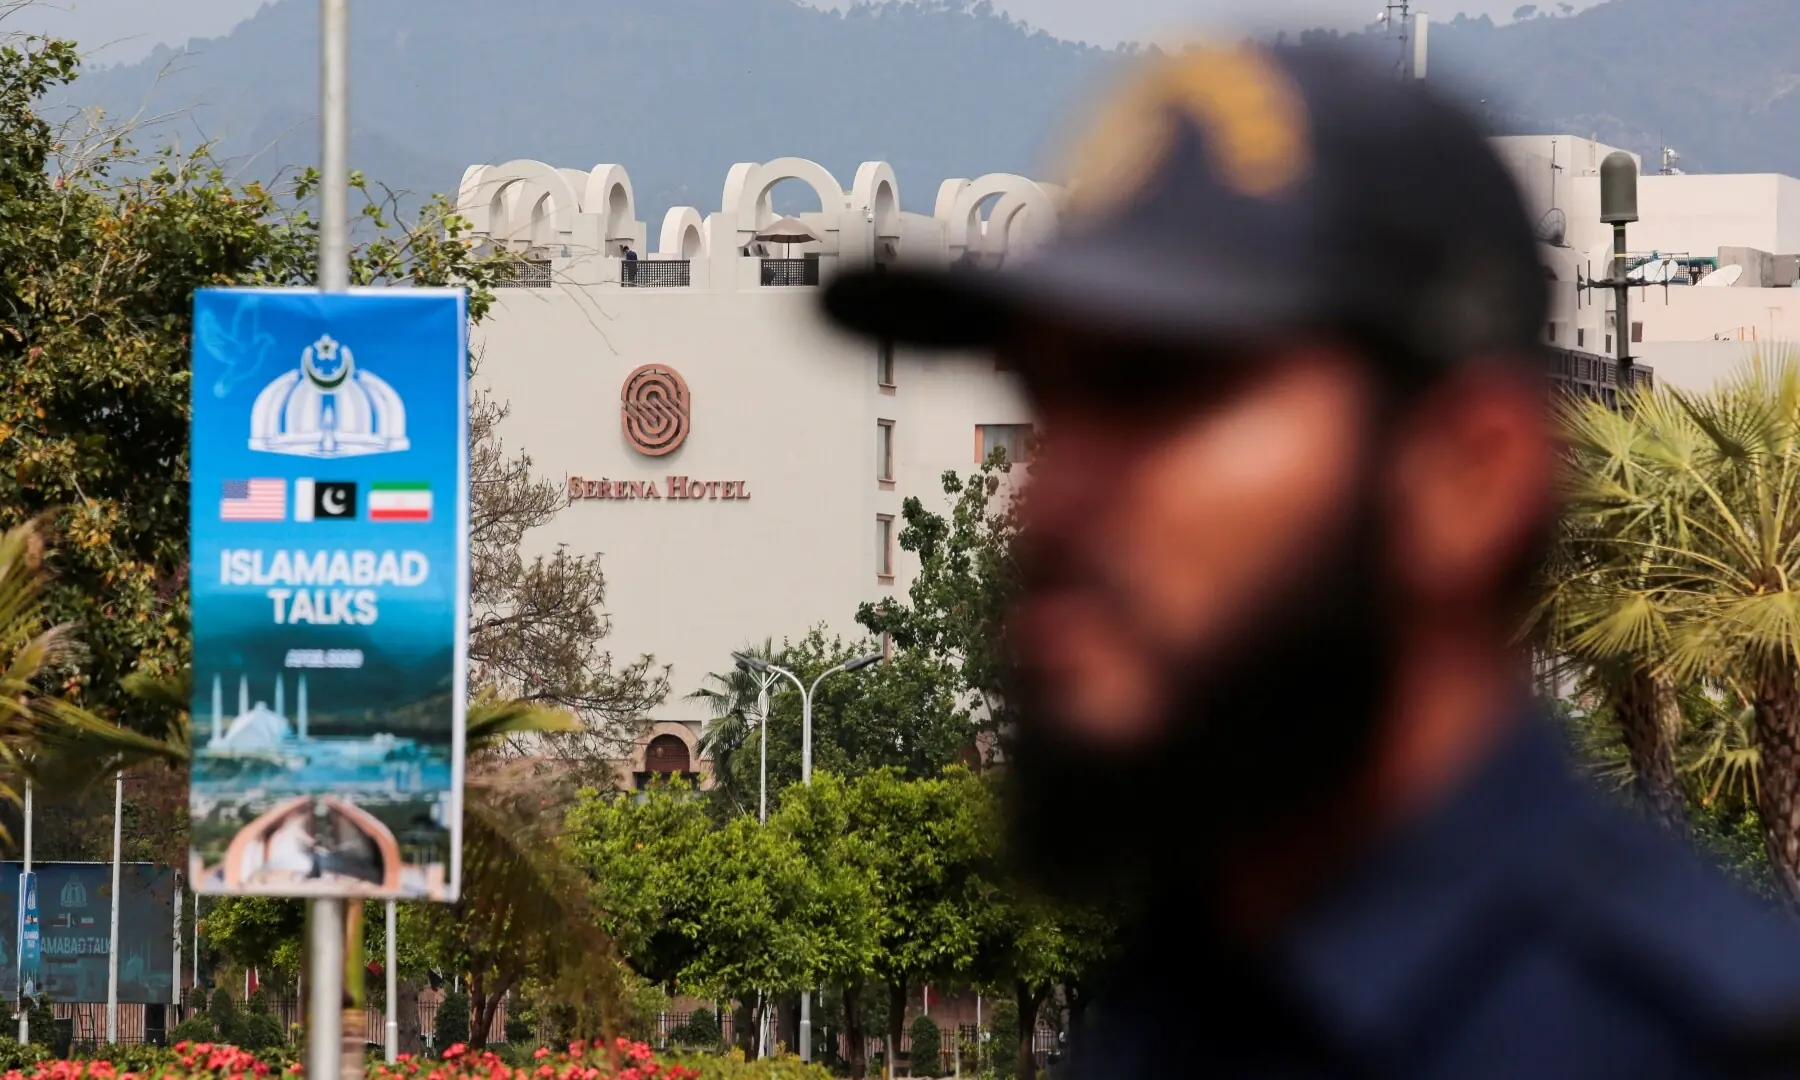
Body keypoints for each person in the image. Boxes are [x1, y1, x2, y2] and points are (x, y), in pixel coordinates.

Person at [823, 44, 1800, 1078]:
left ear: (1471, 476)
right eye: (1046, 401)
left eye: (1156, 393)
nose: (1046, 504)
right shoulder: (1173, 1020)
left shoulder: (1685, 1045)